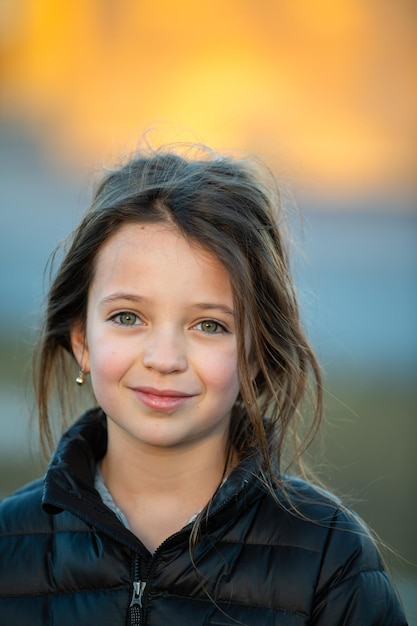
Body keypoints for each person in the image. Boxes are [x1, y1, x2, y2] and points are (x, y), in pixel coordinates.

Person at [0, 144, 407, 625]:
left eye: (208, 325)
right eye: (128, 317)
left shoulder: (331, 560)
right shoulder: (8, 547)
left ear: (254, 354)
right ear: (81, 340)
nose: (165, 359)